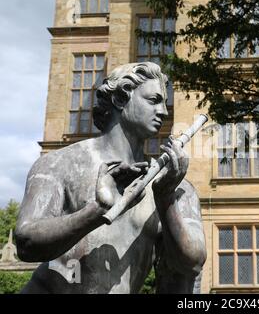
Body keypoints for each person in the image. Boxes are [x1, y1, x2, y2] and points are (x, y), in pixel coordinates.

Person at [15, 62, 206, 294]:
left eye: (164, 103)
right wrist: (97, 211)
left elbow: (192, 265)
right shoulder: (60, 163)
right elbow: (26, 242)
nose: (164, 112)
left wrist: (166, 199)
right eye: (153, 100)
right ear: (119, 100)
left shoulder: (173, 186)